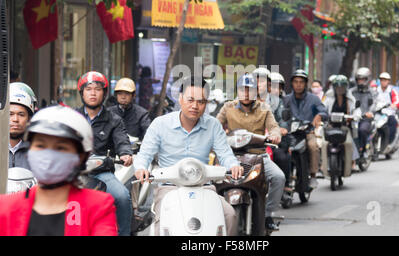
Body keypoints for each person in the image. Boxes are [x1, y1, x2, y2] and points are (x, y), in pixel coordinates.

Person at [134, 76, 243, 236]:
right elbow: (144, 154)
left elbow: (225, 154)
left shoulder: (213, 125)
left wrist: (233, 165)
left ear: (206, 103)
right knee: (161, 225)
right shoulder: (160, 124)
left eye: (201, 102)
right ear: (180, 98)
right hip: (169, 188)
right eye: (190, 100)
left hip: (204, 187)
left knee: (229, 215)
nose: (195, 106)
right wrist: (141, 168)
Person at [0, 105, 118, 236]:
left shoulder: (98, 207)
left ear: (81, 156)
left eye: (60, 148)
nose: (48, 155)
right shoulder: (6, 206)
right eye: (40, 145)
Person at [216, 73, 285, 231]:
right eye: (242, 90)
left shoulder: (264, 109)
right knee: (212, 181)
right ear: (237, 91)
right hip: (231, 156)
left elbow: (274, 127)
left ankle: (267, 215)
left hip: (258, 157)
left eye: (250, 90)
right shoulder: (228, 107)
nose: (246, 94)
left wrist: (275, 135)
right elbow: (216, 125)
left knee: (279, 177)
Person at [75, 71, 133, 236]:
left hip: (102, 172)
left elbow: (122, 140)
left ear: (105, 93)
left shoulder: (114, 119)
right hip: (72, 171)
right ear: (82, 93)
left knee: (122, 196)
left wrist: (125, 153)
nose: (93, 93)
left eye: (98, 89)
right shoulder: (72, 116)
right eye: (88, 89)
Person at [283, 69, 328, 189]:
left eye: (301, 82)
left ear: (305, 84)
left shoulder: (313, 99)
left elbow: (323, 111)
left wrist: (319, 116)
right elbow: (280, 114)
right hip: (290, 133)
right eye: (296, 82)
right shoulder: (286, 99)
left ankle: (313, 175)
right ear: (292, 83)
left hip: (308, 132)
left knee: (313, 146)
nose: (298, 84)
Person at [323, 75, 360, 171]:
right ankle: (322, 164)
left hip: (345, 126)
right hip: (331, 126)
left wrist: (355, 116)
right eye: (337, 87)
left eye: (342, 87)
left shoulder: (350, 99)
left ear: (346, 87)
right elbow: (323, 108)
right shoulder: (329, 97)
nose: (340, 89)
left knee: (349, 141)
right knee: (323, 143)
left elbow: (356, 110)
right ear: (334, 87)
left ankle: (352, 161)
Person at [269, 72, 291, 193]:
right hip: (257, 139)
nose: (274, 90)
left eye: (278, 87)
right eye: (272, 86)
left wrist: (280, 129)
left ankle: (285, 183)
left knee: (282, 156)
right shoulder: (257, 100)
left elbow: (283, 120)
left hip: (275, 139)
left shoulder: (283, 102)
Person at [350, 67, 377, 155]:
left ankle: (363, 149)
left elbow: (375, 104)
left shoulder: (372, 92)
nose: (360, 81)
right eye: (359, 79)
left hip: (365, 118)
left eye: (362, 79)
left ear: (367, 79)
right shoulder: (351, 92)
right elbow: (348, 102)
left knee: (362, 130)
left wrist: (370, 113)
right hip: (353, 118)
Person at [8, 83, 35, 169]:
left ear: (29, 119)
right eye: (10, 114)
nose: (15, 119)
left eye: (21, 114)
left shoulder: (36, 150)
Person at [375, 72, 399, 150]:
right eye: (382, 80)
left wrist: (394, 105)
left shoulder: (392, 91)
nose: (383, 82)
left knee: (393, 123)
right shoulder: (375, 90)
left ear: (388, 81)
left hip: (389, 113)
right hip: (378, 113)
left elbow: (397, 100)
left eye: (385, 80)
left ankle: (389, 143)